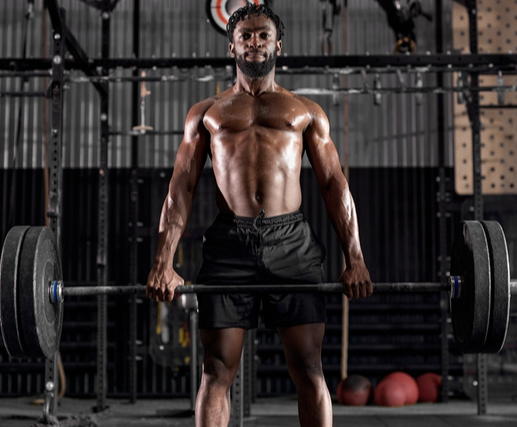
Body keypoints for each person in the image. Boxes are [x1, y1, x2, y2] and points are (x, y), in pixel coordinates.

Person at [145, 4, 372, 427]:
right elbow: (182, 188)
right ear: (231, 45)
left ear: (278, 45)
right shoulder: (206, 114)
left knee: (308, 369)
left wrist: (354, 258)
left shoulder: (306, 112)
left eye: (263, 35)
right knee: (215, 371)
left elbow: (334, 187)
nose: (254, 42)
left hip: (293, 245)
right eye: (245, 35)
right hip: (230, 243)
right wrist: (164, 262)